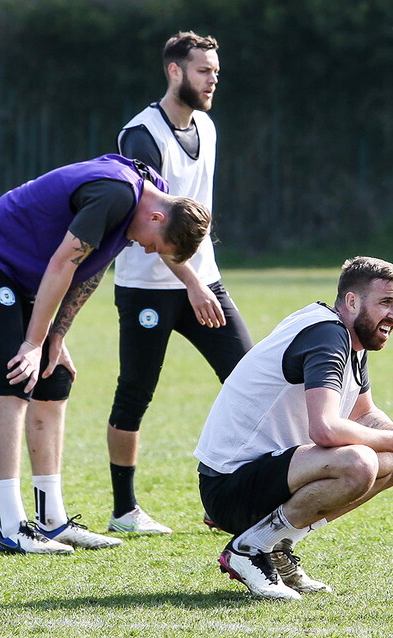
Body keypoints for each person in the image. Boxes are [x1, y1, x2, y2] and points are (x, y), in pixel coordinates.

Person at [0, 153, 211, 554]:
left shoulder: (150, 199)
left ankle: (51, 521)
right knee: (16, 376)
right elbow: (62, 262)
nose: (149, 250)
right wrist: (34, 343)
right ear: (156, 219)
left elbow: (92, 267)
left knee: (55, 378)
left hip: (23, 275)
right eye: (156, 246)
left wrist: (56, 335)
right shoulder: (116, 194)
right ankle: (12, 528)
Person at [194, 257, 393, 599]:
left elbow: (364, 413)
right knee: (359, 463)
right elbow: (324, 430)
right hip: (229, 486)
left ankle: (276, 547)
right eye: (385, 302)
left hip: (268, 476)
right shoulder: (327, 335)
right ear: (352, 302)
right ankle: (248, 549)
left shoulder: (347, 336)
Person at [107, 31, 253, 535]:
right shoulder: (141, 135)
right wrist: (192, 283)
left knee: (250, 377)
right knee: (135, 393)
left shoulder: (208, 127)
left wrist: (201, 279)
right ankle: (124, 511)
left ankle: (233, 496)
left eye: (215, 70)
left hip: (202, 279)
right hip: (148, 285)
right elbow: (154, 222)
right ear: (175, 71)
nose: (213, 79)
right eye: (203, 71)